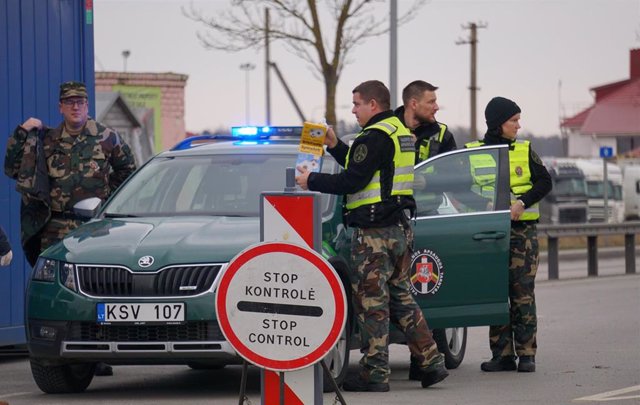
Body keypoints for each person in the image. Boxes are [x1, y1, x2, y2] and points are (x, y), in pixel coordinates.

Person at [295, 80, 448, 392]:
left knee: (372, 303)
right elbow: (366, 167)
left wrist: (310, 180)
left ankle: (375, 374)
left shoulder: (375, 135)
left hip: (376, 232)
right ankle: (432, 362)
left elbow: (353, 179)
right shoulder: (398, 131)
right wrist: (336, 144)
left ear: (373, 105)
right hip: (399, 228)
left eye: (357, 104)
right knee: (402, 298)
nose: (353, 110)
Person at [4, 80, 137, 376]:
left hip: (96, 227)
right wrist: (24, 130)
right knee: (59, 291)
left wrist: (109, 202)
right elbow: (12, 167)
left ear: (87, 106)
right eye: (70, 102)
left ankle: (99, 352)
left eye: (81, 102)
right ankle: (57, 352)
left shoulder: (106, 137)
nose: (76, 107)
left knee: (100, 287)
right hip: (55, 225)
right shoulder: (46, 139)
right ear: (60, 107)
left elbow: (129, 171)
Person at [465, 96, 551, 373]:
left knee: (522, 293)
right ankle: (502, 354)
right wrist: (483, 205)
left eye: (518, 120)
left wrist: (522, 202)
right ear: (497, 123)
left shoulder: (525, 150)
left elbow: (544, 182)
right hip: (488, 232)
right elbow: (462, 189)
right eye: (513, 120)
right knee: (496, 291)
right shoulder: (472, 151)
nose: (518, 125)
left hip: (521, 233)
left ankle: (527, 354)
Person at [394, 80, 457, 164]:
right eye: (431, 102)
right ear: (414, 104)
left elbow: (451, 173)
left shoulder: (443, 135)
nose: (437, 107)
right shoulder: (388, 132)